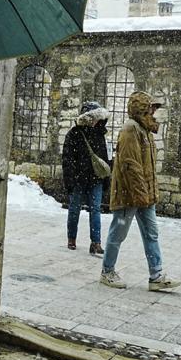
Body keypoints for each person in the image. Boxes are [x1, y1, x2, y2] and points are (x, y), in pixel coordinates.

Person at [99, 91, 181, 291]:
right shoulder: (130, 129)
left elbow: (146, 167)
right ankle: (107, 271)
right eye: (151, 107)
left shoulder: (144, 130)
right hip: (130, 195)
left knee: (151, 233)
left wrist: (147, 195)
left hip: (145, 195)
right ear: (141, 108)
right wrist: (139, 194)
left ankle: (156, 275)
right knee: (118, 233)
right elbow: (130, 165)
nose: (154, 112)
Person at [61, 101, 111, 254]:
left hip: (95, 178)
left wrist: (106, 179)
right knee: (74, 208)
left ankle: (95, 242)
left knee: (95, 209)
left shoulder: (100, 134)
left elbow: (105, 159)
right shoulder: (75, 134)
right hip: (79, 178)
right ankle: (71, 238)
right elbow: (67, 158)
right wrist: (70, 179)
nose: (96, 120)